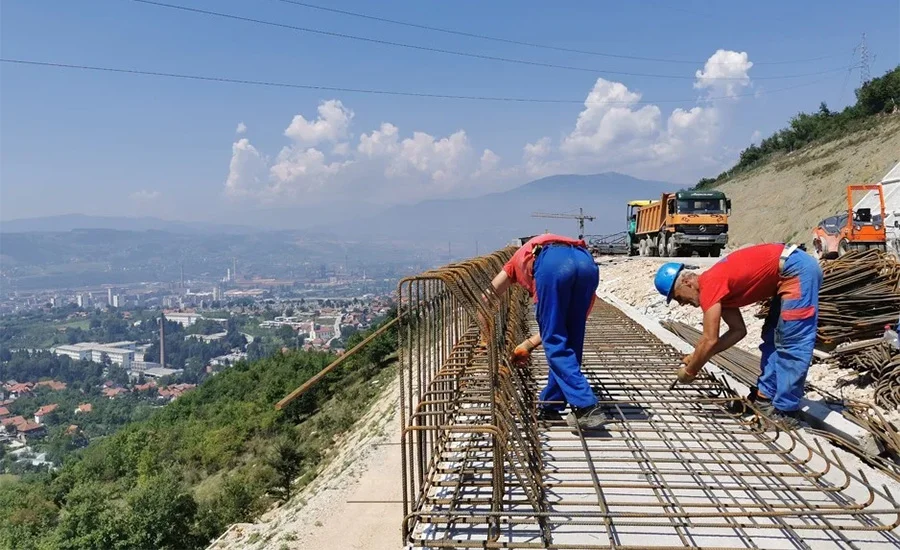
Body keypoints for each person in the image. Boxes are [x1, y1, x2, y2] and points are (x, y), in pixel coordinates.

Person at [653, 243, 822, 428]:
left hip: (797, 270)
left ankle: (786, 411)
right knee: (772, 337)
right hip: (787, 272)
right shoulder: (718, 289)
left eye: (678, 297)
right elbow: (738, 331)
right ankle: (765, 398)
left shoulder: (710, 285)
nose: (682, 304)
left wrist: (690, 371)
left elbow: (709, 340)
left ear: (687, 282)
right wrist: (696, 356)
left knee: (792, 341)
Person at [484, 233, 607, 429]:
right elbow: (561, 327)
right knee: (571, 341)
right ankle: (552, 403)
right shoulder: (555, 245)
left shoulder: (518, 259)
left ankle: (586, 406)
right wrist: (528, 344)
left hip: (553, 267)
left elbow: (489, 295)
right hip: (587, 263)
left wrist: (484, 330)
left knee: (555, 341)